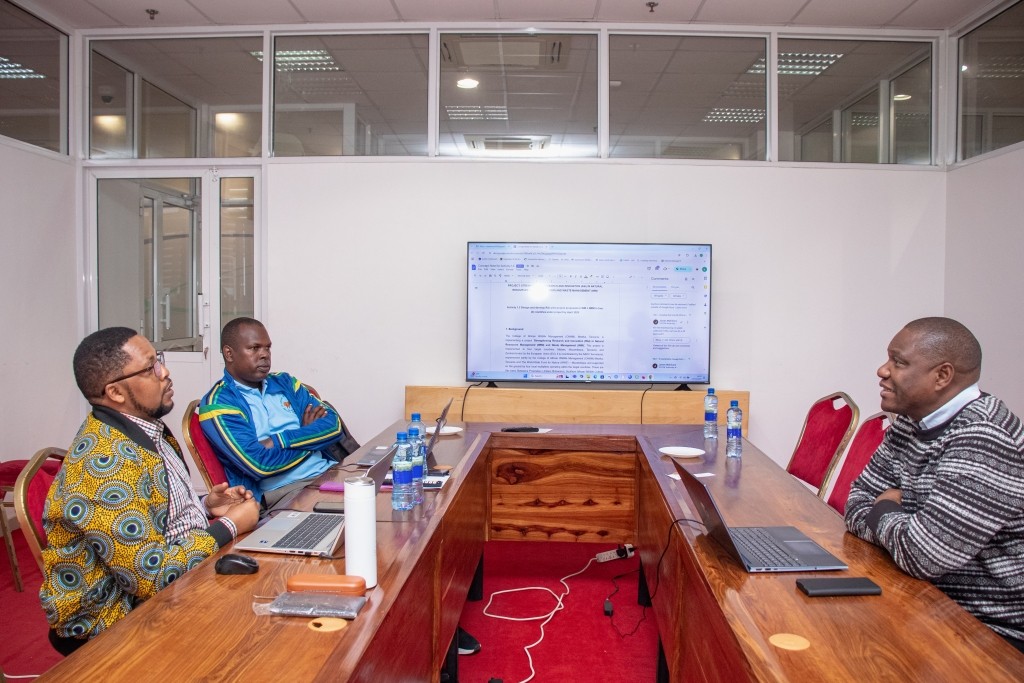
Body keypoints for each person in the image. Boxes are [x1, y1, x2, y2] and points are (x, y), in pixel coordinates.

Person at [40, 327, 260, 655]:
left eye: (159, 360)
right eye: (150, 368)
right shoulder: (104, 464)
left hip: (177, 584)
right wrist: (229, 525)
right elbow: (151, 576)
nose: (164, 372)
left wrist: (206, 505)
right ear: (115, 392)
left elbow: (151, 512)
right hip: (115, 624)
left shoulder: (144, 428)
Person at [845, 317, 1024, 653]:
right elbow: (856, 500)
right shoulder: (911, 422)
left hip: (989, 631)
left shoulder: (982, 438)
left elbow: (923, 555)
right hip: (924, 597)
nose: (882, 371)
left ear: (942, 376)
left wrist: (884, 506)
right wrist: (903, 524)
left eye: (898, 362)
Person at [199, 317, 358, 510]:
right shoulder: (219, 402)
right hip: (286, 492)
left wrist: (278, 441)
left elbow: (333, 426)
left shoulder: (286, 382)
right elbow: (259, 465)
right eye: (254, 348)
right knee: (361, 516)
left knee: (381, 498)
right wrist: (311, 437)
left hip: (329, 474)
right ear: (229, 354)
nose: (264, 355)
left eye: (267, 348)